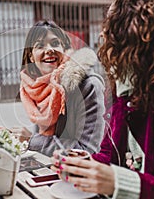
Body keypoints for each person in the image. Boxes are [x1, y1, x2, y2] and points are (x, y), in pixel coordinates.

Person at [51, 0, 154, 198]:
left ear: (138, 40)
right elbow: (110, 155)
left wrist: (119, 182)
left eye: (111, 30)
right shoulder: (124, 89)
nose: (102, 38)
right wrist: (85, 165)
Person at [19, 20, 105, 156]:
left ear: (64, 50)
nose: (49, 50)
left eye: (55, 43)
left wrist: (31, 140)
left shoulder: (88, 87)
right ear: (31, 56)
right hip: (55, 169)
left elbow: (86, 151)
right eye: (40, 46)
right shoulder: (37, 90)